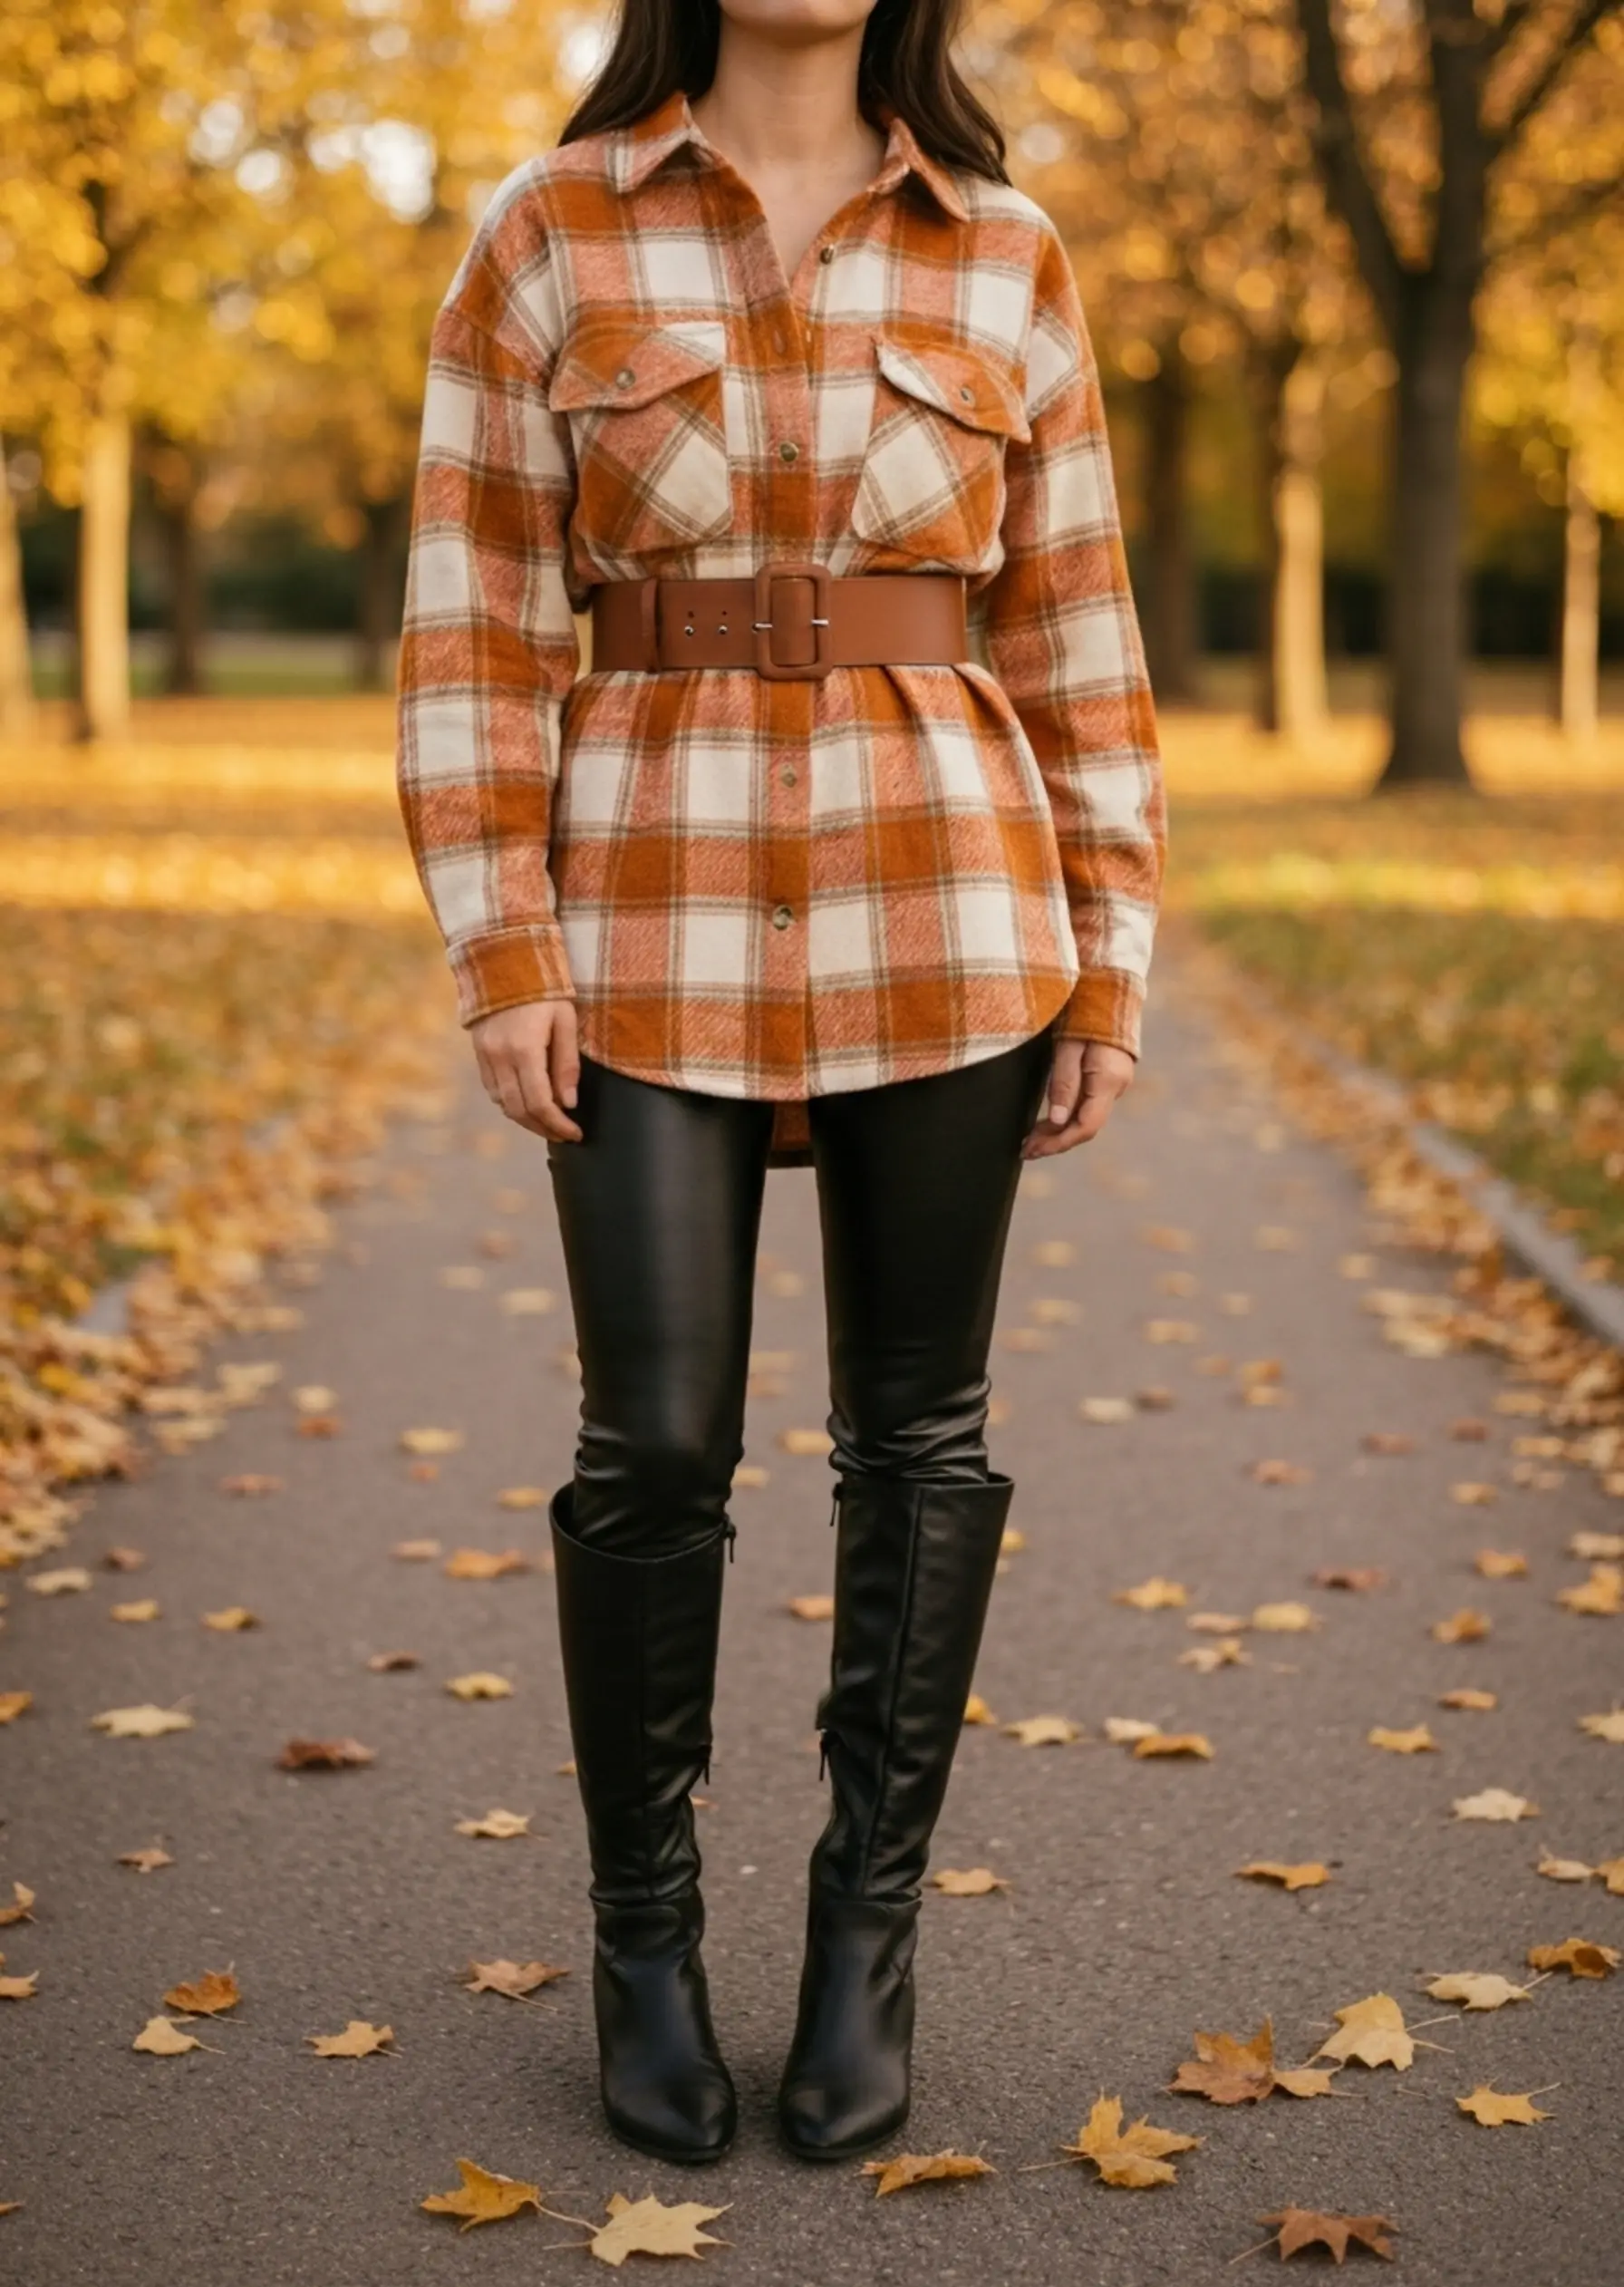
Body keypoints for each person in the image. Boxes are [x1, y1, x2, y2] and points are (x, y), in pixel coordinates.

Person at [395, 0, 1165, 2170]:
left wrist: (1106, 959)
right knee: (651, 1441)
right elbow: (474, 625)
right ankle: (642, 1939)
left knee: (918, 1442)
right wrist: (501, 946)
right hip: (642, 916)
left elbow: (1075, 636)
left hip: (949, 907)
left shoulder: (1004, 247)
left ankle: (862, 1935)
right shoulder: (547, 229)